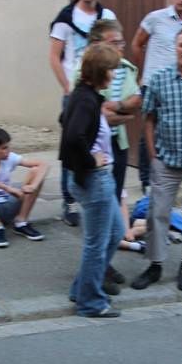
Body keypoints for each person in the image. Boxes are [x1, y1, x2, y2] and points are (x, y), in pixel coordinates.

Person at [130, 28, 182, 293]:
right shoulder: (159, 79)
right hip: (166, 161)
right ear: (175, 47)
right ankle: (155, 265)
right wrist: (153, 156)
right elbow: (149, 118)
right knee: (157, 213)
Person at [59, 44, 125, 318]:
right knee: (97, 243)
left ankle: (81, 288)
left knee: (116, 233)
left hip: (96, 180)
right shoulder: (86, 99)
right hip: (95, 180)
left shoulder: (84, 95)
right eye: (111, 69)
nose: (114, 75)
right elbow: (73, 137)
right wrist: (91, 160)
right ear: (100, 72)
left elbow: (64, 119)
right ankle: (90, 302)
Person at [75, 19, 142, 283]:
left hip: (116, 146)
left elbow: (133, 104)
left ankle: (99, 269)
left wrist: (116, 109)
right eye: (113, 43)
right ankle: (92, 278)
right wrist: (114, 111)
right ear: (97, 45)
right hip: (93, 157)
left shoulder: (125, 69)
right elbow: (83, 124)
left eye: (120, 43)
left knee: (112, 218)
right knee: (99, 223)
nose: (119, 48)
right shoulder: (82, 83)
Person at [49, 0, 117, 227]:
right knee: (72, 144)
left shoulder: (106, 16)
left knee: (98, 141)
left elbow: (113, 45)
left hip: (99, 90)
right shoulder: (65, 18)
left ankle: (95, 190)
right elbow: (54, 56)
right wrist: (67, 86)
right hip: (76, 92)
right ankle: (69, 200)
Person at [131, 0, 182, 193]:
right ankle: (147, 181)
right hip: (154, 84)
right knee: (150, 131)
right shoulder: (155, 18)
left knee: (174, 130)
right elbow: (137, 44)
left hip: (180, 85)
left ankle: (172, 178)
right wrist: (143, 73)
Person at [0, 125, 48, 247]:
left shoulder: (9, 158)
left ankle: (21, 222)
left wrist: (34, 186)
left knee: (36, 171)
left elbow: (44, 164)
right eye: (4, 148)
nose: (8, 150)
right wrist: (7, 188)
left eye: (8, 146)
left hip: (8, 205)